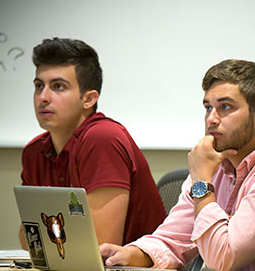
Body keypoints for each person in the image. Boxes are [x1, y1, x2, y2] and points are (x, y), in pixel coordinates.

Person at [100, 59, 255, 271]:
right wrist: (132, 254)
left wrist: (202, 179)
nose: (211, 119)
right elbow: (174, 237)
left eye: (225, 107)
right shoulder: (217, 162)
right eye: (208, 107)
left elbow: (221, 258)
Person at [18, 37, 166, 248]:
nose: (43, 97)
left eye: (58, 86)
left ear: (89, 99)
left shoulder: (102, 139)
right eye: (39, 85)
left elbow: (101, 247)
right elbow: (29, 242)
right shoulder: (35, 152)